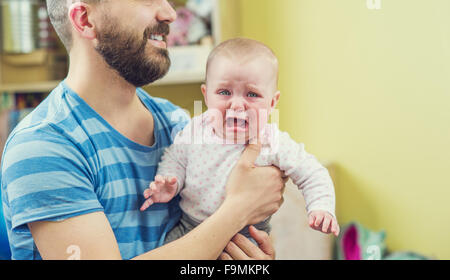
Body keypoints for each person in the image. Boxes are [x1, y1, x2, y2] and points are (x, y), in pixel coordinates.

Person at [0, 0, 286, 260]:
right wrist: (238, 209)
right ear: (85, 19)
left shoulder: (177, 124)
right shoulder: (43, 146)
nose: (170, 13)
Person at [140, 38, 340, 244]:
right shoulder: (196, 129)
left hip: (246, 236)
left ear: (272, 103)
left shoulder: (271, 140)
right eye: (224, 92)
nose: (236, 105)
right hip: (190, 228)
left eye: (252, 94)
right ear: (206, 95)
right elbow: (176, 158)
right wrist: (169, 180)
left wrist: (321, 207)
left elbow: (312, 173)